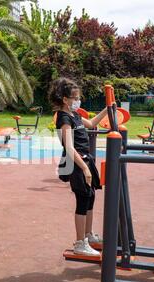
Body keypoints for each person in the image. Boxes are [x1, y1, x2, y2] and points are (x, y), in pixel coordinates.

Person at [51, 78, 108, 257]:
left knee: (90, 197)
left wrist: (107, 110)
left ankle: (88, 236)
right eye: (75, 98)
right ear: (65, 99)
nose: (78, 100)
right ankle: (79, 242)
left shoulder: (75, 115)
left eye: (78, 97)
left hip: (86, 159)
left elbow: (91, 124)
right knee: (82, 200)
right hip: (77, 163)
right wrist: (84, 168)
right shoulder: (64, 118)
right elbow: (68, 147)